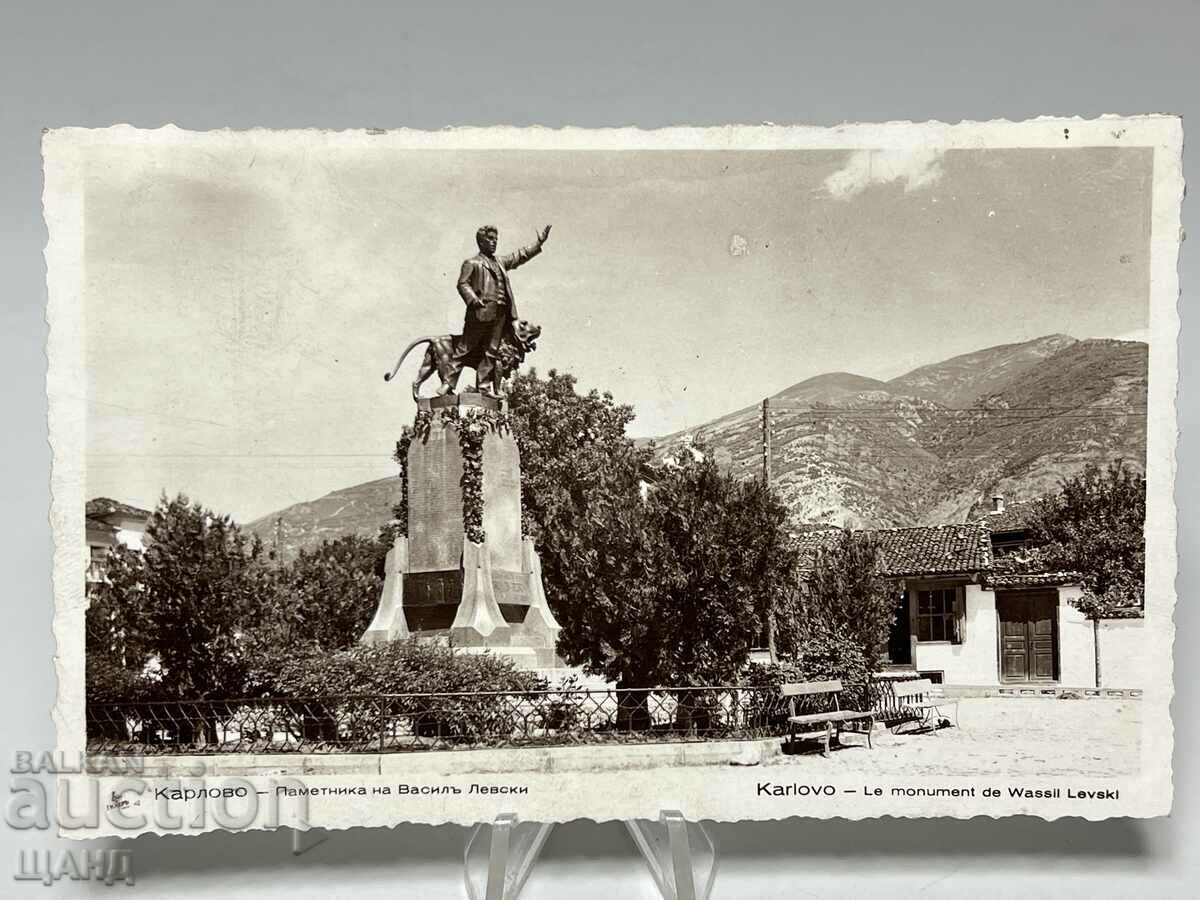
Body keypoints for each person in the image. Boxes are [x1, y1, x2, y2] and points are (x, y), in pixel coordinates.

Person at [451, 223, 551, 396]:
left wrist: (538, 244)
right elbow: (462, 283)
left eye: (496, 239)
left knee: (491, 351)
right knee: (464, 348)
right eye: (490, 239)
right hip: (480, 312)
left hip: (501, 314)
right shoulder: (472, 262)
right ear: (481, 242)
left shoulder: (500, 262)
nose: (494, 242)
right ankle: (448, 383)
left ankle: (483, 387)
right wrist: (473, 300)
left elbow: (519, 256)